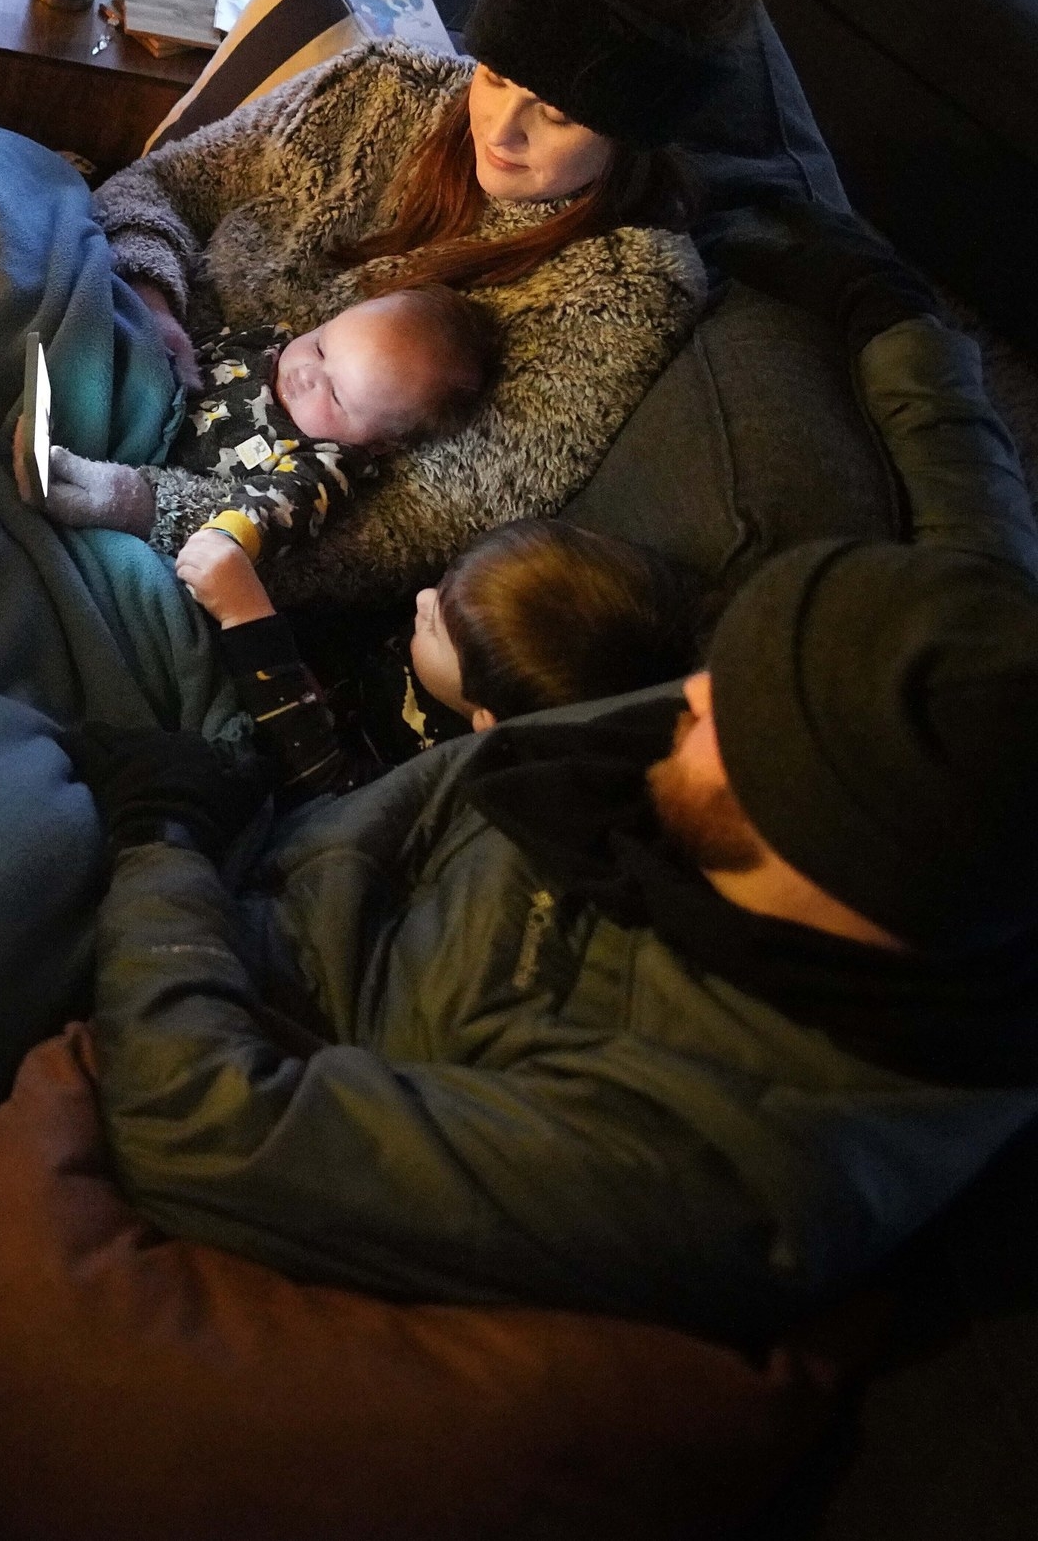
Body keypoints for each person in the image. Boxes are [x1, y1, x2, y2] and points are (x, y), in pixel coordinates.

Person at [72, 533, 1038, 1340]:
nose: (691, 697)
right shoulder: (843, 760)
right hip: (248, 832)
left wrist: (166, 838)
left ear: (829, 846)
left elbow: (200, 1127)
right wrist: (894, 325)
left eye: (730, 719)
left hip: (189, 984)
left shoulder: (711, 1164)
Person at [87, 0, 760, 605]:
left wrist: (135, 503)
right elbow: (159, 183)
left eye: (558, 114)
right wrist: (150, 303)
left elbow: (408, 530)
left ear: (634, 135)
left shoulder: (621, 295)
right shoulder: (383, 85)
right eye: (496, 75)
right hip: (111, 337)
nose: (501, 129)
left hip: (199, 539)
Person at [180, 514, 700, 802]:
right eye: (443, 583)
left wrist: (250, 618)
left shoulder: (436, 767)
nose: (421, 600)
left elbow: (326, 786)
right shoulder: (469, 632)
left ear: (486, 722)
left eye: (434, 627)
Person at [27, 283, 502, 566]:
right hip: (123, 398)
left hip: (136, 474)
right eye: (319, 345)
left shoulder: (322, 465)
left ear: (378, 444)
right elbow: (186, 342)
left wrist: (133, 500)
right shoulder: (272, 343)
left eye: (336, 394)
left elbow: (256, 522)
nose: (304, 373)